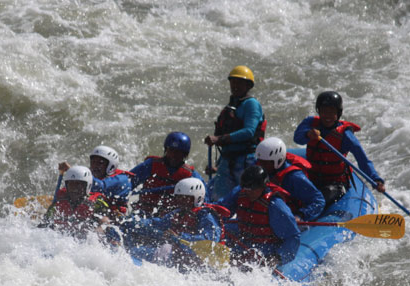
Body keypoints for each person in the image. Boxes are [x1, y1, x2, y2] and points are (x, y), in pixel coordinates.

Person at [293, 91, 385, 205]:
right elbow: (297, 138)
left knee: (318, 200)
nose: (327, 116)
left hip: (336, 184)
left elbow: (362, 159)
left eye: (332, 112)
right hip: (313, 178)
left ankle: (301, 217)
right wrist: (308, 134)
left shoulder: (345, 135)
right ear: (318, 111)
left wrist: (376, 179)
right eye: (324, 111)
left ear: (339, 113)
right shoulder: (310, 123)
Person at [115, 177, 226, 269]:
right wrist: (129, 221)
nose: (181, 202)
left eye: (185, 198)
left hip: (198, 260)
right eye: (179, 198)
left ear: (198, 198)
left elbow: (210, 241)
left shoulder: (207, 216)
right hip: (179, 254)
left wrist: (179, 237)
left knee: (152, 250)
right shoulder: (178, 213)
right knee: (135, 250)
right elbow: (155, 223)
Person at [204, 65, 267, 202]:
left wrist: (219, 138)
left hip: (246, 160)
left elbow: (249, 132)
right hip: (227, 160)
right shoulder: (232, 105)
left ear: (248, 85)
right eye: (233, 82)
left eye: (239, 82)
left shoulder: (251, 104)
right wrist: (217, 165)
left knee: (246, 198)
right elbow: (227, 145)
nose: (235, 85)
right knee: (218, 199)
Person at [219, 165, 300, 268]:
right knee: (221, 229)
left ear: (263, 186)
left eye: (253, 189)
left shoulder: (276, 206)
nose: (249, 192)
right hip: (243, 240)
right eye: (246, 189)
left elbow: (293, 236)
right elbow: (221, 209)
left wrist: (277, 257)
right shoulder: (240, 193)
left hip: (266, 248)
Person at [129, 132, 206, 217]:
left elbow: (203, 198)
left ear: (185, 154)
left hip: (171, 215)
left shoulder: (190, 175)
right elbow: (128, 181)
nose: (173, 155)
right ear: (166, 150)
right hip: (144, 210)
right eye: (171, 150)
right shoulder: (150, 165)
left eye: (178, 152)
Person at [254, 137, 325, 222]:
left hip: (289, 215)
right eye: (260, 162)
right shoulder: (260, 169)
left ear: (278, 161)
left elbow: (318, 201)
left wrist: (301, 215)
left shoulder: (294, 177)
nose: (261, 166)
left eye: (265, 163)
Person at [40, 165, 111, 240]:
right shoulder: (59, 202)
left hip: (86, 240)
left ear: (88, 186)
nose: (74, 189)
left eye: (78, 185)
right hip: (63, 239)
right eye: (71, 185)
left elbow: (105, 222)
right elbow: (45, 222)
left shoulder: (96, 203)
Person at [59, 145, 133, 215]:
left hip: (115, 219)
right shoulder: (92, 174)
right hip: (98, 211)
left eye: (100, 163)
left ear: (111, 166)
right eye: (93, 162)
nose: (95, 166)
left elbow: (101, 187)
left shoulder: (121, 179)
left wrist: (72, 170)